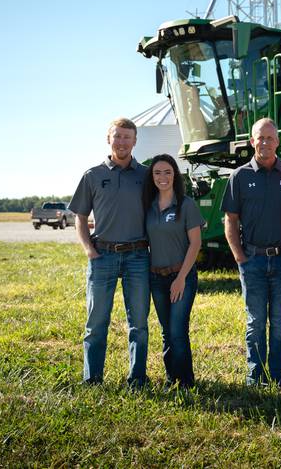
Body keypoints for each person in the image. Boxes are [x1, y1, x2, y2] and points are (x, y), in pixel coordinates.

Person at [69, 117, 151, 387]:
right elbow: (79, 216)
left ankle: (137, 378)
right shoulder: (93, 175)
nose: (122, 142)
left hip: (138, 256)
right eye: (117, 136)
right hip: (102, 255)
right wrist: (88, 250)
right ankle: (92, 378)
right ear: (108, 139)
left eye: (127, 137)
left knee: (138, 323)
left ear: (135, 141)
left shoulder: (146, 175)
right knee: (96, 322)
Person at [222, 118, 281, 389]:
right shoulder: (239, 176)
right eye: (259, 138)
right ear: (251, 141)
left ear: (277, 142)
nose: (264, 142)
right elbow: (231, 219)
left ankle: (279, 376)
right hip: (252, 259)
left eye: (270, 138)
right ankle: (255, 376)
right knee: (255, 321)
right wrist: (239, 256)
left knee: (279, 321)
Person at [143, 154, 204, 389]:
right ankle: (171, 379)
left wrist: (180, 279)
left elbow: (196, 244)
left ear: (174, 175)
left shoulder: (186, 204)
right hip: (156, 278)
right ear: (152, 177)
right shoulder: (147, 207)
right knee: (166, 332)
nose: (162, 177)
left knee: (178, 330)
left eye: (167, 172)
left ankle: (186, 382)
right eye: (157, 173)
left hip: (182, 276)